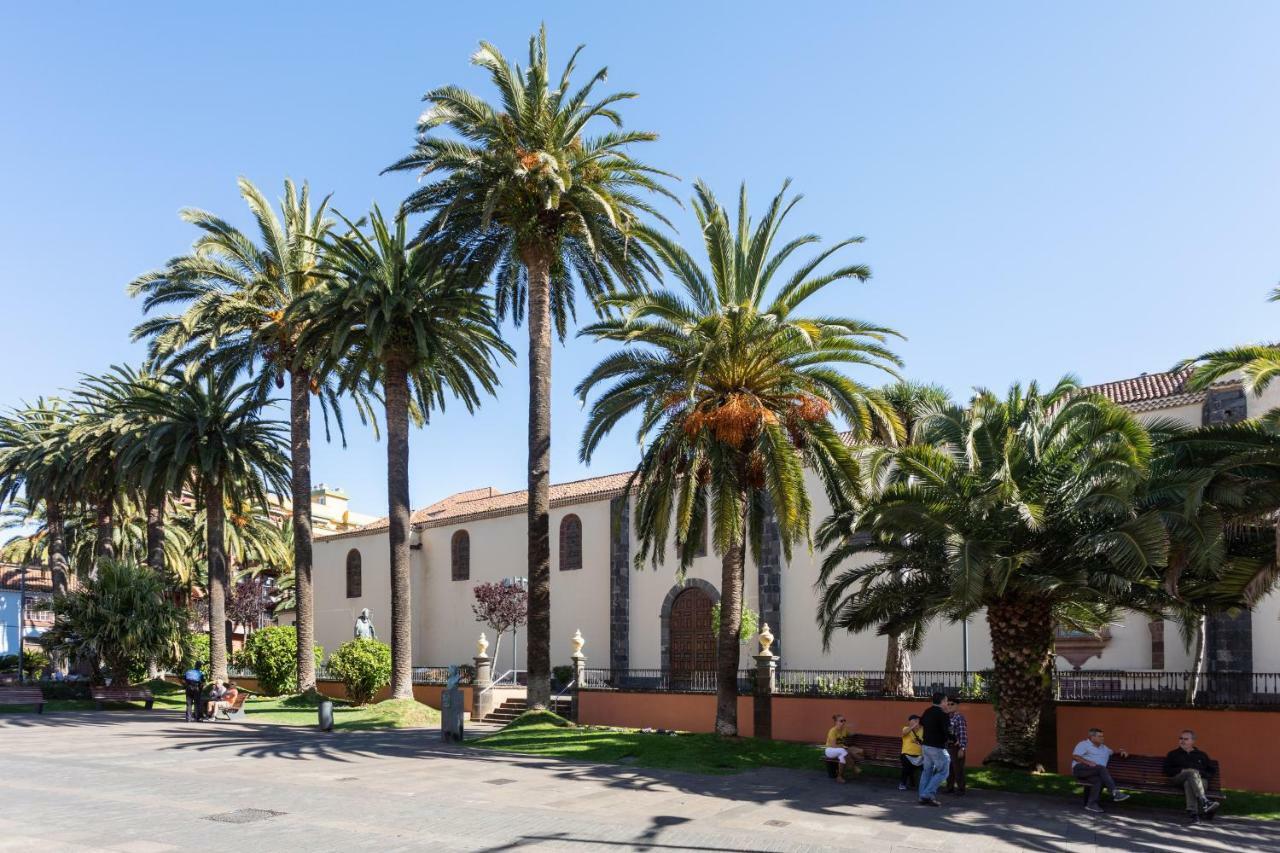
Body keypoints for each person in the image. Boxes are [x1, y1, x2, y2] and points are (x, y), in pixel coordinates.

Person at [1164, 730, 1220, 825]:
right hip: (1178, 779)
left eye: (1186, 739)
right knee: (1190, 772)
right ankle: (1204, 801)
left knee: (1189, 783)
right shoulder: (1173, 754)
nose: (1182, 741)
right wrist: (1182, 770)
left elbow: (1211, 770)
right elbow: (1167, 770)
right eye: (1181, 738)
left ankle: (1193, 814)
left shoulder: (1201, 755)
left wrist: (1200, 774)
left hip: (1200, 782)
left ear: (1193, 741)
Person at [1071, 727, 1131, 813]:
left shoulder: (1104, 748)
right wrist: (1088, 762)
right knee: (1101, 768)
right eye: (1100, 736)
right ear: (1092, 737)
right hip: (1081, 769)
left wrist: (1122, 752)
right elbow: (1075, 756)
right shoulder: (1083, 744)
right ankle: (1115, 792)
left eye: (1102, 736)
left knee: (1098, 780)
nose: (1102, 738)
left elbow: (1112, 752)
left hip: (1094, 772)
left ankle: (1091, 804)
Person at [917, 692, 951, 806]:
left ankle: (923, 796)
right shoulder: (943, 714)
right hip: (937, 747)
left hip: (926, 746)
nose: (947, 703)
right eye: (946, 701)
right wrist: (954, 738)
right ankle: (927, 794)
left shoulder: (927, 711)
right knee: (943, 771)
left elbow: (921, 723)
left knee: (927, 771)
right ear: (942, 702)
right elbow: (947, 731)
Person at [944, 696, 968, 796]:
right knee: (949, 768)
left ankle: (961, 789)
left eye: (952, 704)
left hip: (956, 747)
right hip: (947, 746)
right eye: (948, 704)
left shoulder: (959, 717)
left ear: (957, 706)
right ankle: (949, 788)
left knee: (958, 769)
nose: (949, 706)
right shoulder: (946, 717)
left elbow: (963, 733)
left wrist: (962, 748)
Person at [824, 714, 856, 783]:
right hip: (830, 750)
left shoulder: (844, 730)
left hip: (840, 751)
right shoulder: (833, 731)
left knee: (842, 757)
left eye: (844, 720)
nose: (843, 722)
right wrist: (844, 747)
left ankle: (839, 777)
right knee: (843, 750)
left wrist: (852, 728)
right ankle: (854, 768)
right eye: (841, 721)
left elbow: (851, 734)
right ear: (836, 722)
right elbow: (833, 745)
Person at [900, 714, 924, 791]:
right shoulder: (906, 728)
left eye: (918, 721)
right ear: (909, 722)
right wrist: (913, 726)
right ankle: (903, 783)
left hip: (920, 756)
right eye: (914, 720)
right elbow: (904, 733)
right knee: (907, 766)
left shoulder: (923, 730)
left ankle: (923, 784)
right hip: (906, 755)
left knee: (926, 767)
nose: (917, 722)